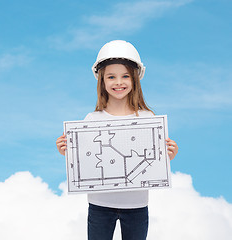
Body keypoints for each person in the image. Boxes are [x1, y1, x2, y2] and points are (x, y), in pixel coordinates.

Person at [56, 40, 178, 240]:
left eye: (125, 76)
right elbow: (85, 162)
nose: (118, 82)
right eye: (111, 77)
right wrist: (67, 151)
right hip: (99, 206)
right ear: (102, 81)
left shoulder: (147, 119)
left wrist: (168, 156)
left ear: (135, 79)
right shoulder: (91, 120)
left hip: (137, 206)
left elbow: (153, 162)